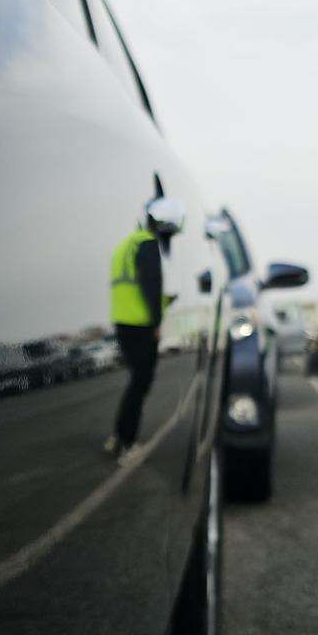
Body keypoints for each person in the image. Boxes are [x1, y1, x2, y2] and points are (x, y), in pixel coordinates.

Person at [105, 192, 184, 464]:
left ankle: (117, 436)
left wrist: (164, 301)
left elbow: (133, 286)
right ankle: (127, 444)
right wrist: (156, 322)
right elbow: (151, 285)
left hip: (123, 322)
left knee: (134, 383)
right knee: (140, 384)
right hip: (141, 325)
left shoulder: (125, 245)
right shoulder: (148, 244)